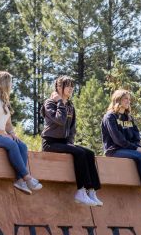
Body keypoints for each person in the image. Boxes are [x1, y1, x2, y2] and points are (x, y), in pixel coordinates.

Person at [0, 71, 42, 195]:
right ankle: (27, 177)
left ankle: (19, 180)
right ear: (4, 82)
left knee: (22, 145)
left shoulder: (4, 100)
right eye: (11, 83)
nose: (12, 86)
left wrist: (12, 133)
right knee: (10, 143)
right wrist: (3, 134)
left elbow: (8, 123)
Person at [42, 76, 102, 206]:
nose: (71, 89)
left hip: (64, 142)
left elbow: (72, 128)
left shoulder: (70, 106)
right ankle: (80, 191)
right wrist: (59, 102)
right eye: (67, 86)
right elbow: (60, 120)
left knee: (89, 153)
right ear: (59, 87)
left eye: (72, 86)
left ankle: (91, 190)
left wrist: (70, 142)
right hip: (50, 143)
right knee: (79, 153)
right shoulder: (50, 103)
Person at [102, 89, 141, 203]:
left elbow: (136, 136)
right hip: (114, 150)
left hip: (129, 148)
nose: (128, 101)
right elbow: (118, 140)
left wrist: (138, 146)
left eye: (129, 99)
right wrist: (136, 148)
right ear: (118, 100)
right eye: (125, 99)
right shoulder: (110, 117)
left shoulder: (128, 117)